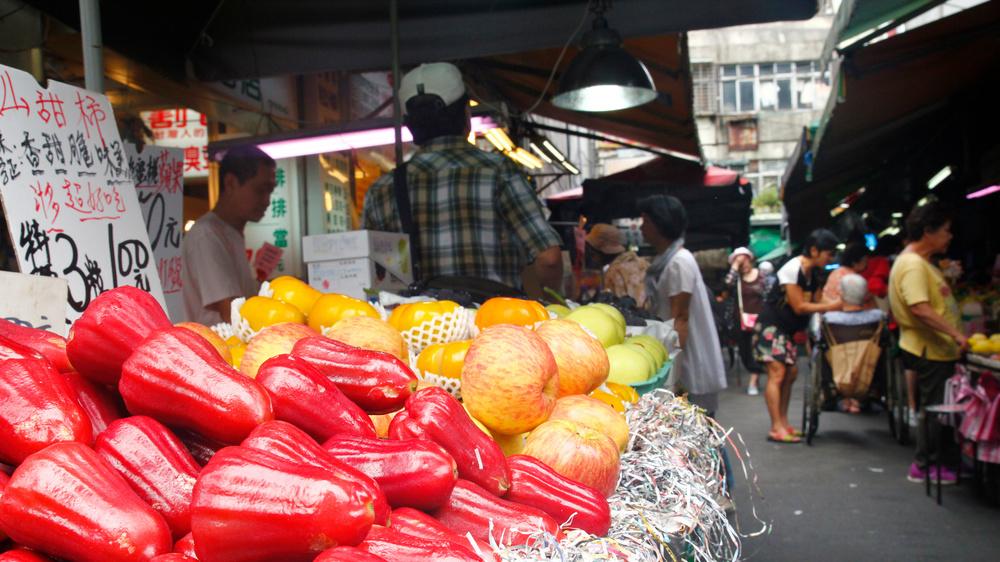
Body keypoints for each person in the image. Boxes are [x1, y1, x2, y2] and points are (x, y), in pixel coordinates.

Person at [362, 62, 562, 293]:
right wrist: (555, 303)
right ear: (466, 115)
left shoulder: (382, 190)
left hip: (418, 325)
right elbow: (549, 259)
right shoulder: (500, 172)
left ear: (409, 125)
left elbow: (375, 278)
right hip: (495, 322)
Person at [889, 198, 966, 484]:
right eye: (945, 230)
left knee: (938, 407)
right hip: (928, 349)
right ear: (928, 231)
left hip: (934, 348)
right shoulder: (912, 264)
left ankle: (943, 461)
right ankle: (926, 464)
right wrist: (957, 334)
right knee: (934, 409)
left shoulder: (920, 263)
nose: (950, 236)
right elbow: (919, 307)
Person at [639, 195, 727, 414]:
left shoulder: (679, 262)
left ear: (659, 224)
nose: (641, 228)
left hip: (689, 358)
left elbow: (681, 317)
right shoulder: (668, 261)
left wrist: (673, 372)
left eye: (646, 221)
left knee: (699, 425)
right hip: (683, 353)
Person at [753, 229, 841, 443]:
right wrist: (835, 305)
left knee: (790, 373)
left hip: (787, 330)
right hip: (771, 327)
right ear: (814, 250)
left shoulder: (814, 274)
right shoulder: (793, 269)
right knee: (778, 373)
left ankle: (783, 423)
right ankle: (776, 427)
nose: (831, 258)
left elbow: (817, 303)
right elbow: (800, 306)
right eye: (828, 254)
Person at [182, 146, 276, 325]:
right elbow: (232, 313)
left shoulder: (229, 232)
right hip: (217, 349)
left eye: (270, 191)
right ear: (231, 183)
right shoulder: (207, 235)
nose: (267, 200)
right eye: (260, 190)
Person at [823, 273, 886, 413]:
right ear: (865, 294)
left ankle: (837, 396)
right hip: (870, 367)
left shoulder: (828, 319)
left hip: (837, 365)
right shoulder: (878, 317)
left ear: (841, 293)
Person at [724, 247, 767, 396]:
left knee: (757, 351)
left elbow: (767, 295)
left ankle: (753, 380)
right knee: (745, 352)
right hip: (741, 321)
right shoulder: (737, 280)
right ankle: (754, 372)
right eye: (740, 261)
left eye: (745, 259)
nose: (744, 263)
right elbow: (727, 284)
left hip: (759, 320)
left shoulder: (761, 276)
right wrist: (735, 266)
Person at [585, 223, 649, 306]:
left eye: (592, 252)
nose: (592, 257)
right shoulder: (642, 263)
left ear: (599, 252)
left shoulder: (614, 272)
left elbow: (621, 308)